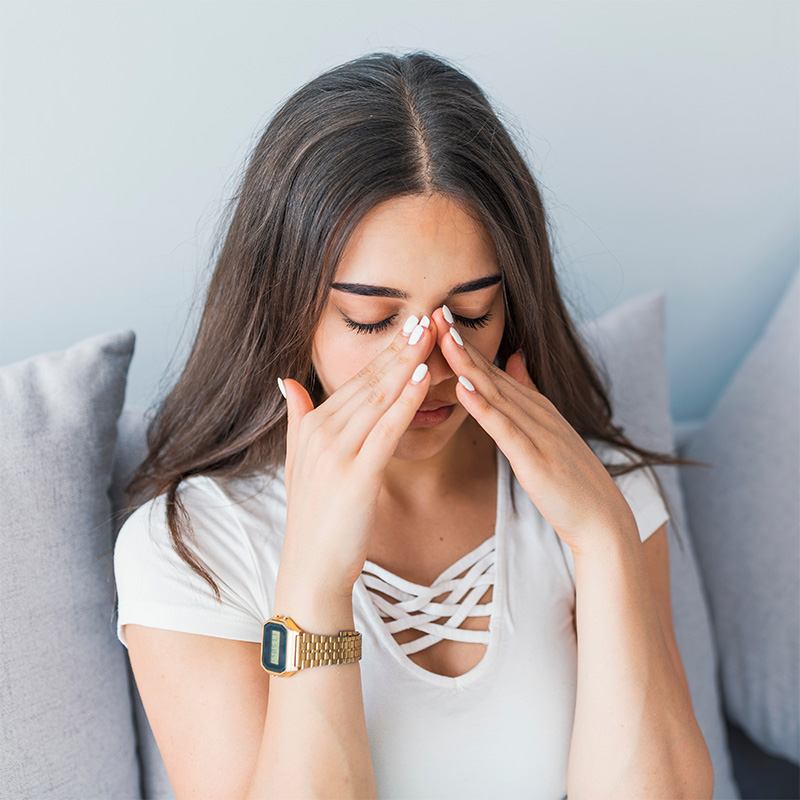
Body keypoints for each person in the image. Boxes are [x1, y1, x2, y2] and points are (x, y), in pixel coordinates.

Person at [113, 50, 714, 799]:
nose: (428, 363)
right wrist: (314, 584)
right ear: (286, 307)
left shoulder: (602, 494)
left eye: (470, 314)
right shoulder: (192, 546)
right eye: (372, 321)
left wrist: (604, 540)